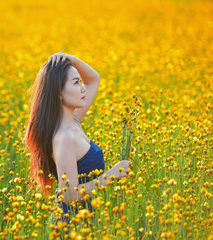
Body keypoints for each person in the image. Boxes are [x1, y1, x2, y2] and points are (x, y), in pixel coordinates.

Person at [23, 52, 132, 237]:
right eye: (75, 83)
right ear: (58, 93)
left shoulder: (73, 121)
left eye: (80, 82)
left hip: (84, 220)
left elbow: (93, 80)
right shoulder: (63, 138)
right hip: (69, 226)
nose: (83, 88)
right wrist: (112, 174)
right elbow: (69, 195)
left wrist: (70, 59)